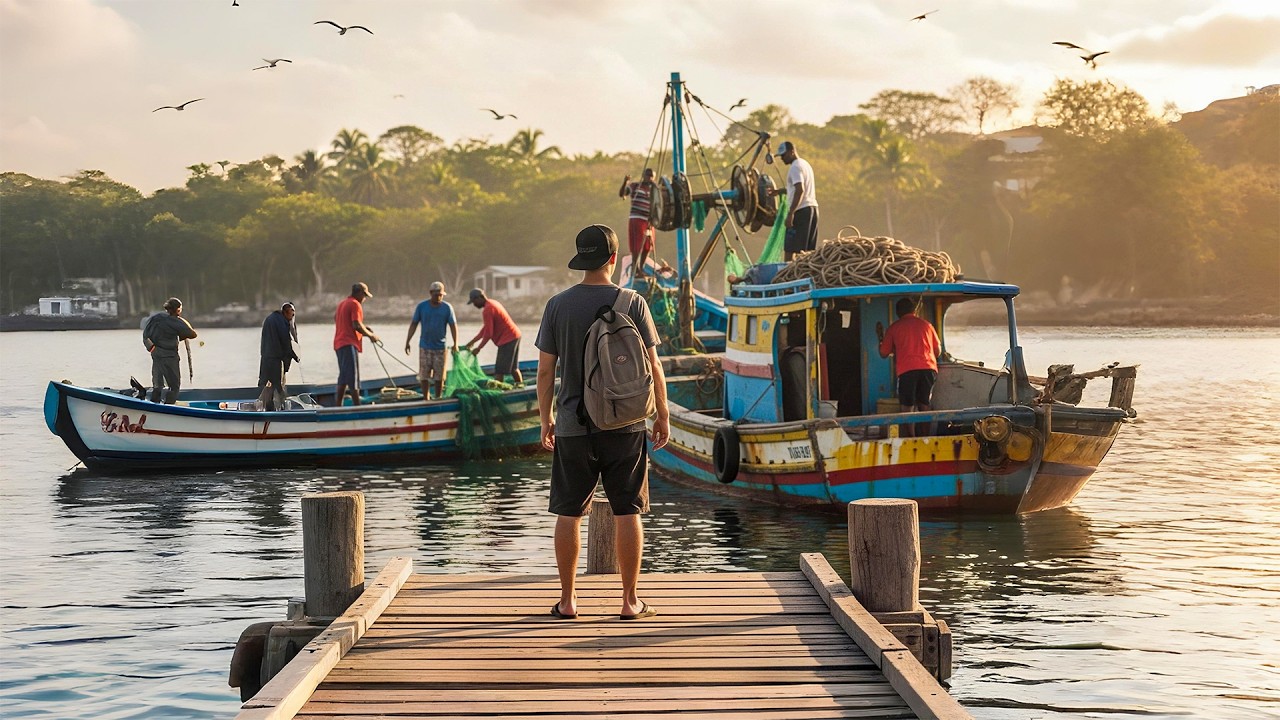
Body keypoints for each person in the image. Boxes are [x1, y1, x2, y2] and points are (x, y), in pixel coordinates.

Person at [535, 224, 669, 621]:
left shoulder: (558, 305)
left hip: (573, 425)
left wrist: (546, 420)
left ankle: (569, 600)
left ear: (581, 260)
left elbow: (545, 372)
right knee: (628, 510)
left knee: (569, 511)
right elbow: (654, 365)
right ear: (613, 259)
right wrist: (661, 415)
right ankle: (629, 602)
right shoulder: (633, 302)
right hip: (625, 422)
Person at [877, 298, 942, 437]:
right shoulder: (927, 325)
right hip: (928, 368)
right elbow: (937, 352)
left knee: (907, 406)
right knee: (924, 403)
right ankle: (926, 437)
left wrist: (880, 340)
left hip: (907, 370)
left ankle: (911, 438)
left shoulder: (894, 328)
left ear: (898, 312)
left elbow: (883, 353)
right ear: (914, 310)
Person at [405, 280, 458, 399]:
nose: (438, 297)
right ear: (430, 293)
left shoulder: (447, 308)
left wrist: (455, 343)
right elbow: (414, 324)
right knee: (424, 375)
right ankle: (426, 398)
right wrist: (408, 341)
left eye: (441, 295)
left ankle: (438, 397)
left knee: (439, 377)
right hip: (425, 346)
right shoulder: (422, 307)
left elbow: (453, 326)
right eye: (436, 295)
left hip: (440, 347)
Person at [464, 288, 523, 386]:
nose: (474, 304)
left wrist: (478, 348)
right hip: (515, 335)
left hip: (507, 339)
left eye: (474, 301)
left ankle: (499, 391)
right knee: (513, 368)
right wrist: (472, 341)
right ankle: (520, 386)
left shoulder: (488, 309)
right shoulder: (493, 303)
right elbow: (486, 329)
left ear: (480, 298)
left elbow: (488, 334)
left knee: (499, 371)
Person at [144, 297, 198, 404]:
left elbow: (145, 336)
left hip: (156, 354)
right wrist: (181, 325)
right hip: (170, 357)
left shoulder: (156, 318)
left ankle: (154, 405)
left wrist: (151, 348)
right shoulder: (175, 321)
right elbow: (192, 334)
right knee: (174, 386)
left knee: (158, 384)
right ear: (178, 310)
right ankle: (169, 406)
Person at [772, 140, 819, 260]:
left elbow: (800, 190)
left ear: (792, 152)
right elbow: (794, 188)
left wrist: (791, 213)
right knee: (807, 251)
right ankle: (803, 274)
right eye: (781, 156)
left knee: (790, 250)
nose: (782, 158)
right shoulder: (805, 164)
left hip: (800, 211)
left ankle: (789, 277)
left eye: (784, 155)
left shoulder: (795, 167)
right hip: (812, 209)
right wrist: (779, 191)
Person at [333, 282, 379, 407]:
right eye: (364, 296)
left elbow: (339, 319)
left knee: (343, 375)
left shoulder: (342, 303)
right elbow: (356, 325)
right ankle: (357, 406)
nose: (364, 299)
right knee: (353, 376)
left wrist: (365, 328)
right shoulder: (355, 304)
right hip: (348, 343)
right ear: (359, 293)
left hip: (338, 343)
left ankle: (338, 405)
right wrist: (371, 336)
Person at [259, 302, 300, 411]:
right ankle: (282, 409)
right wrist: (295, 356)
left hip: (265, 357)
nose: (292, 317)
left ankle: (267, 408)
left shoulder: (271, 318)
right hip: (275, 358)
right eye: (292, 314)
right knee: (278, 386)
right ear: (286, 312)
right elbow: (286, 342)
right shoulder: (282, 322)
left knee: (267, 383)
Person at [618, 168, 656, 280]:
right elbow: (622, 194)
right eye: (648, 175)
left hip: (648, 221)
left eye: (651, 176)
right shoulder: (635, 186)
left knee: (648, 246)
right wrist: (625, 182)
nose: (649, 178)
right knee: (637, 245)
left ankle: (641, 268)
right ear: (643, 175)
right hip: (637, 219)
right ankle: (636, 268)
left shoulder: (654, 189)